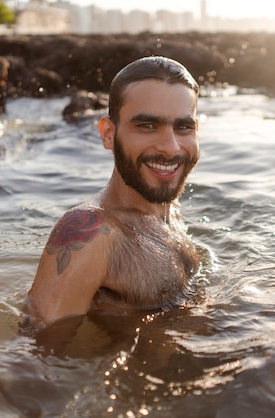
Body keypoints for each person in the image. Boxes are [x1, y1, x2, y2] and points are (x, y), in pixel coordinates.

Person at [26, 56, 201, 329]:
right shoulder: (92, 232)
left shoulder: (169, 207)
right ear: (108, 133)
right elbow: (32, 359)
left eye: (183, 127)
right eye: (147, 126)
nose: (171, 147)